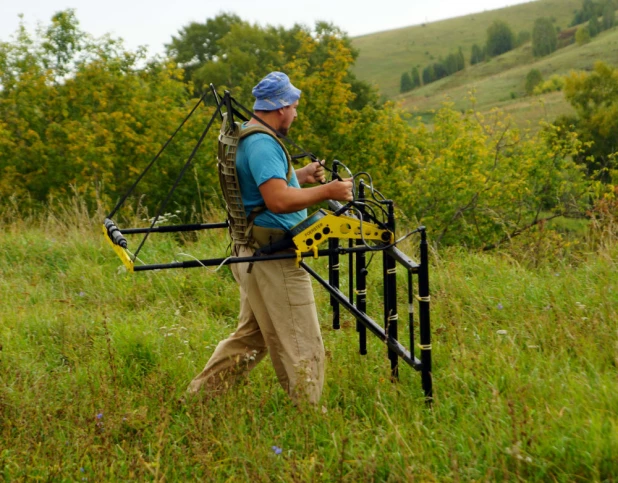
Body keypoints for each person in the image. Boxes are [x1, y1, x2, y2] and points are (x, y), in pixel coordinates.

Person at [187, 72, 353, 404]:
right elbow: (277, 200)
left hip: (252, 253)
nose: (295, 114)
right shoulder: (263, 144)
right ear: (280, 108)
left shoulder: (253, 135)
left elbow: (267, 189)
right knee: (301, 340)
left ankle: (198, 400)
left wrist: (300, 176)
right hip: (273, 256)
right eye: (293, 107)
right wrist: (328, 191)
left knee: (253, 337)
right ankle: (308, 418)